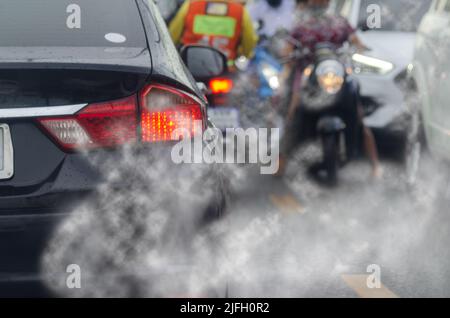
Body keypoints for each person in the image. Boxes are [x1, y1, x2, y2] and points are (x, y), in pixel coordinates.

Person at [277, 0, 382, 179]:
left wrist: (361, 50)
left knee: (359, 116)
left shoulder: (340, 22)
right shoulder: (301, 25)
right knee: (292, 115)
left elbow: (357, 42)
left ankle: (375, 165)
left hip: (336, 75)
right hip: (307, 78)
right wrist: (290, 56)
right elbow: (286, 50)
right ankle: (280, 164)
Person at [169, 0, 258, 64]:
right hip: (224, 67)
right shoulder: (240, 11)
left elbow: (172, 34)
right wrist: (245, 54)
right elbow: (249, 40)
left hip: (189, 64)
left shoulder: (191, 4)